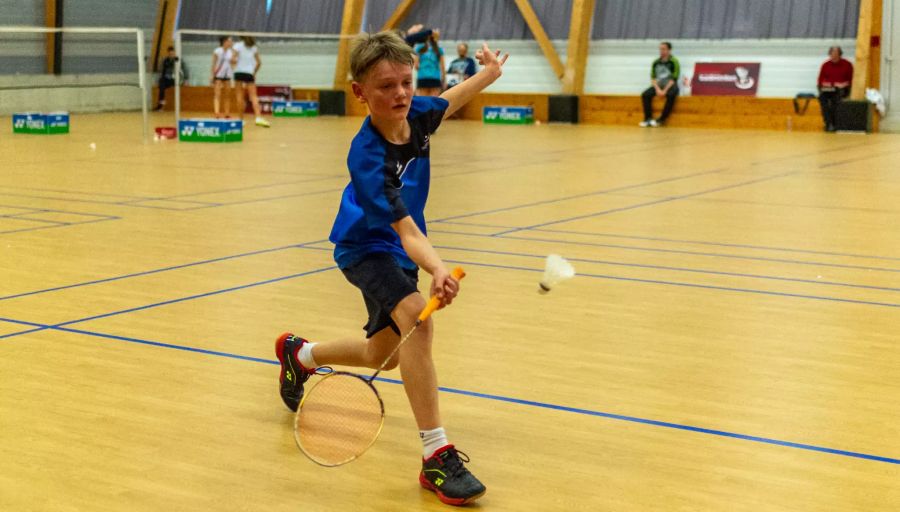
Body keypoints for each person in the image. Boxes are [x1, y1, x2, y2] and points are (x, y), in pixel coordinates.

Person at [275, 30, 508, 506]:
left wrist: (489, 73)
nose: (400, 93)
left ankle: (300, 355)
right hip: (365, 248)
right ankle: (436, 456)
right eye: (385, 86)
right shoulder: (367, 155)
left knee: (385, 355)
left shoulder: (417, 114)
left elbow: (449, 100)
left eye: (405, 82)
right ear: (360, 92)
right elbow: (404, 230)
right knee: (418, 325)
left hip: (400, 251)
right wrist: (439, 269)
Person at [231, 35, 270, 127]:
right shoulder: (254, 47)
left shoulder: (237, 46)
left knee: (239, 96)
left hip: (238, 73)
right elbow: (259, 63)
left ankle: (240, 120)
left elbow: (232, 59)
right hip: (249, 73)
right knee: (253, 96)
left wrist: (234, 67)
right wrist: (254, 73)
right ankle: (258, 118)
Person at [639, 41, 680, 127]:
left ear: (669, 50)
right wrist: (657, 89)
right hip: (659, 85)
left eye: (664, 49)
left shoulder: (674, 62)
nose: (661, 51)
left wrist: (664, 91)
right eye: (660, 49)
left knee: (671, 95)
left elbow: (674, 78)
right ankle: (648, 119)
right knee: (645, 94)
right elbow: (653, 78)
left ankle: (661, 119)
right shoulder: (656, 62)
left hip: (670, 85)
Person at [817, 46, 853, 132]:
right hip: (828, 89)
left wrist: (844, 84)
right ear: (829, 54)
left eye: (836, 53)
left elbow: (851, 80)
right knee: (822, 99)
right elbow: (820, 81)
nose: (834, 55)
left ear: (840, 54)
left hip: (842, 89)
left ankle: (835, 123)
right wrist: (830, 84)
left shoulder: (847, 65)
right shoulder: (825, 65)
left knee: (836, 100)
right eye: (832, 53)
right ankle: (828, 123)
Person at [210, 36, 234, 118]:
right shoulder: (217, 51)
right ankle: (217, 112)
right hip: (218, 75)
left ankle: (227, 113)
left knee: (227, 95)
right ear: (224, 42)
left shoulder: (231, 52)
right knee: (217, 94)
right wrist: (212, 75)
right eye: (229, 41)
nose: (231, 43)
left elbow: (233, 63)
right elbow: (213, 63)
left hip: (227, 75)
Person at [154, 47, 180, 111]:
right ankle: (161, 105)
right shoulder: (165, 60)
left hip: (174, 79)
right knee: (161, 88)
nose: (171, 55)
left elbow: (183, 69)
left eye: (172, 53)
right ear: (168, 54)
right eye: (170, 54)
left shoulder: (177, 60)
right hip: (166, 79)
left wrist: (185, 78)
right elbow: (161, 70)